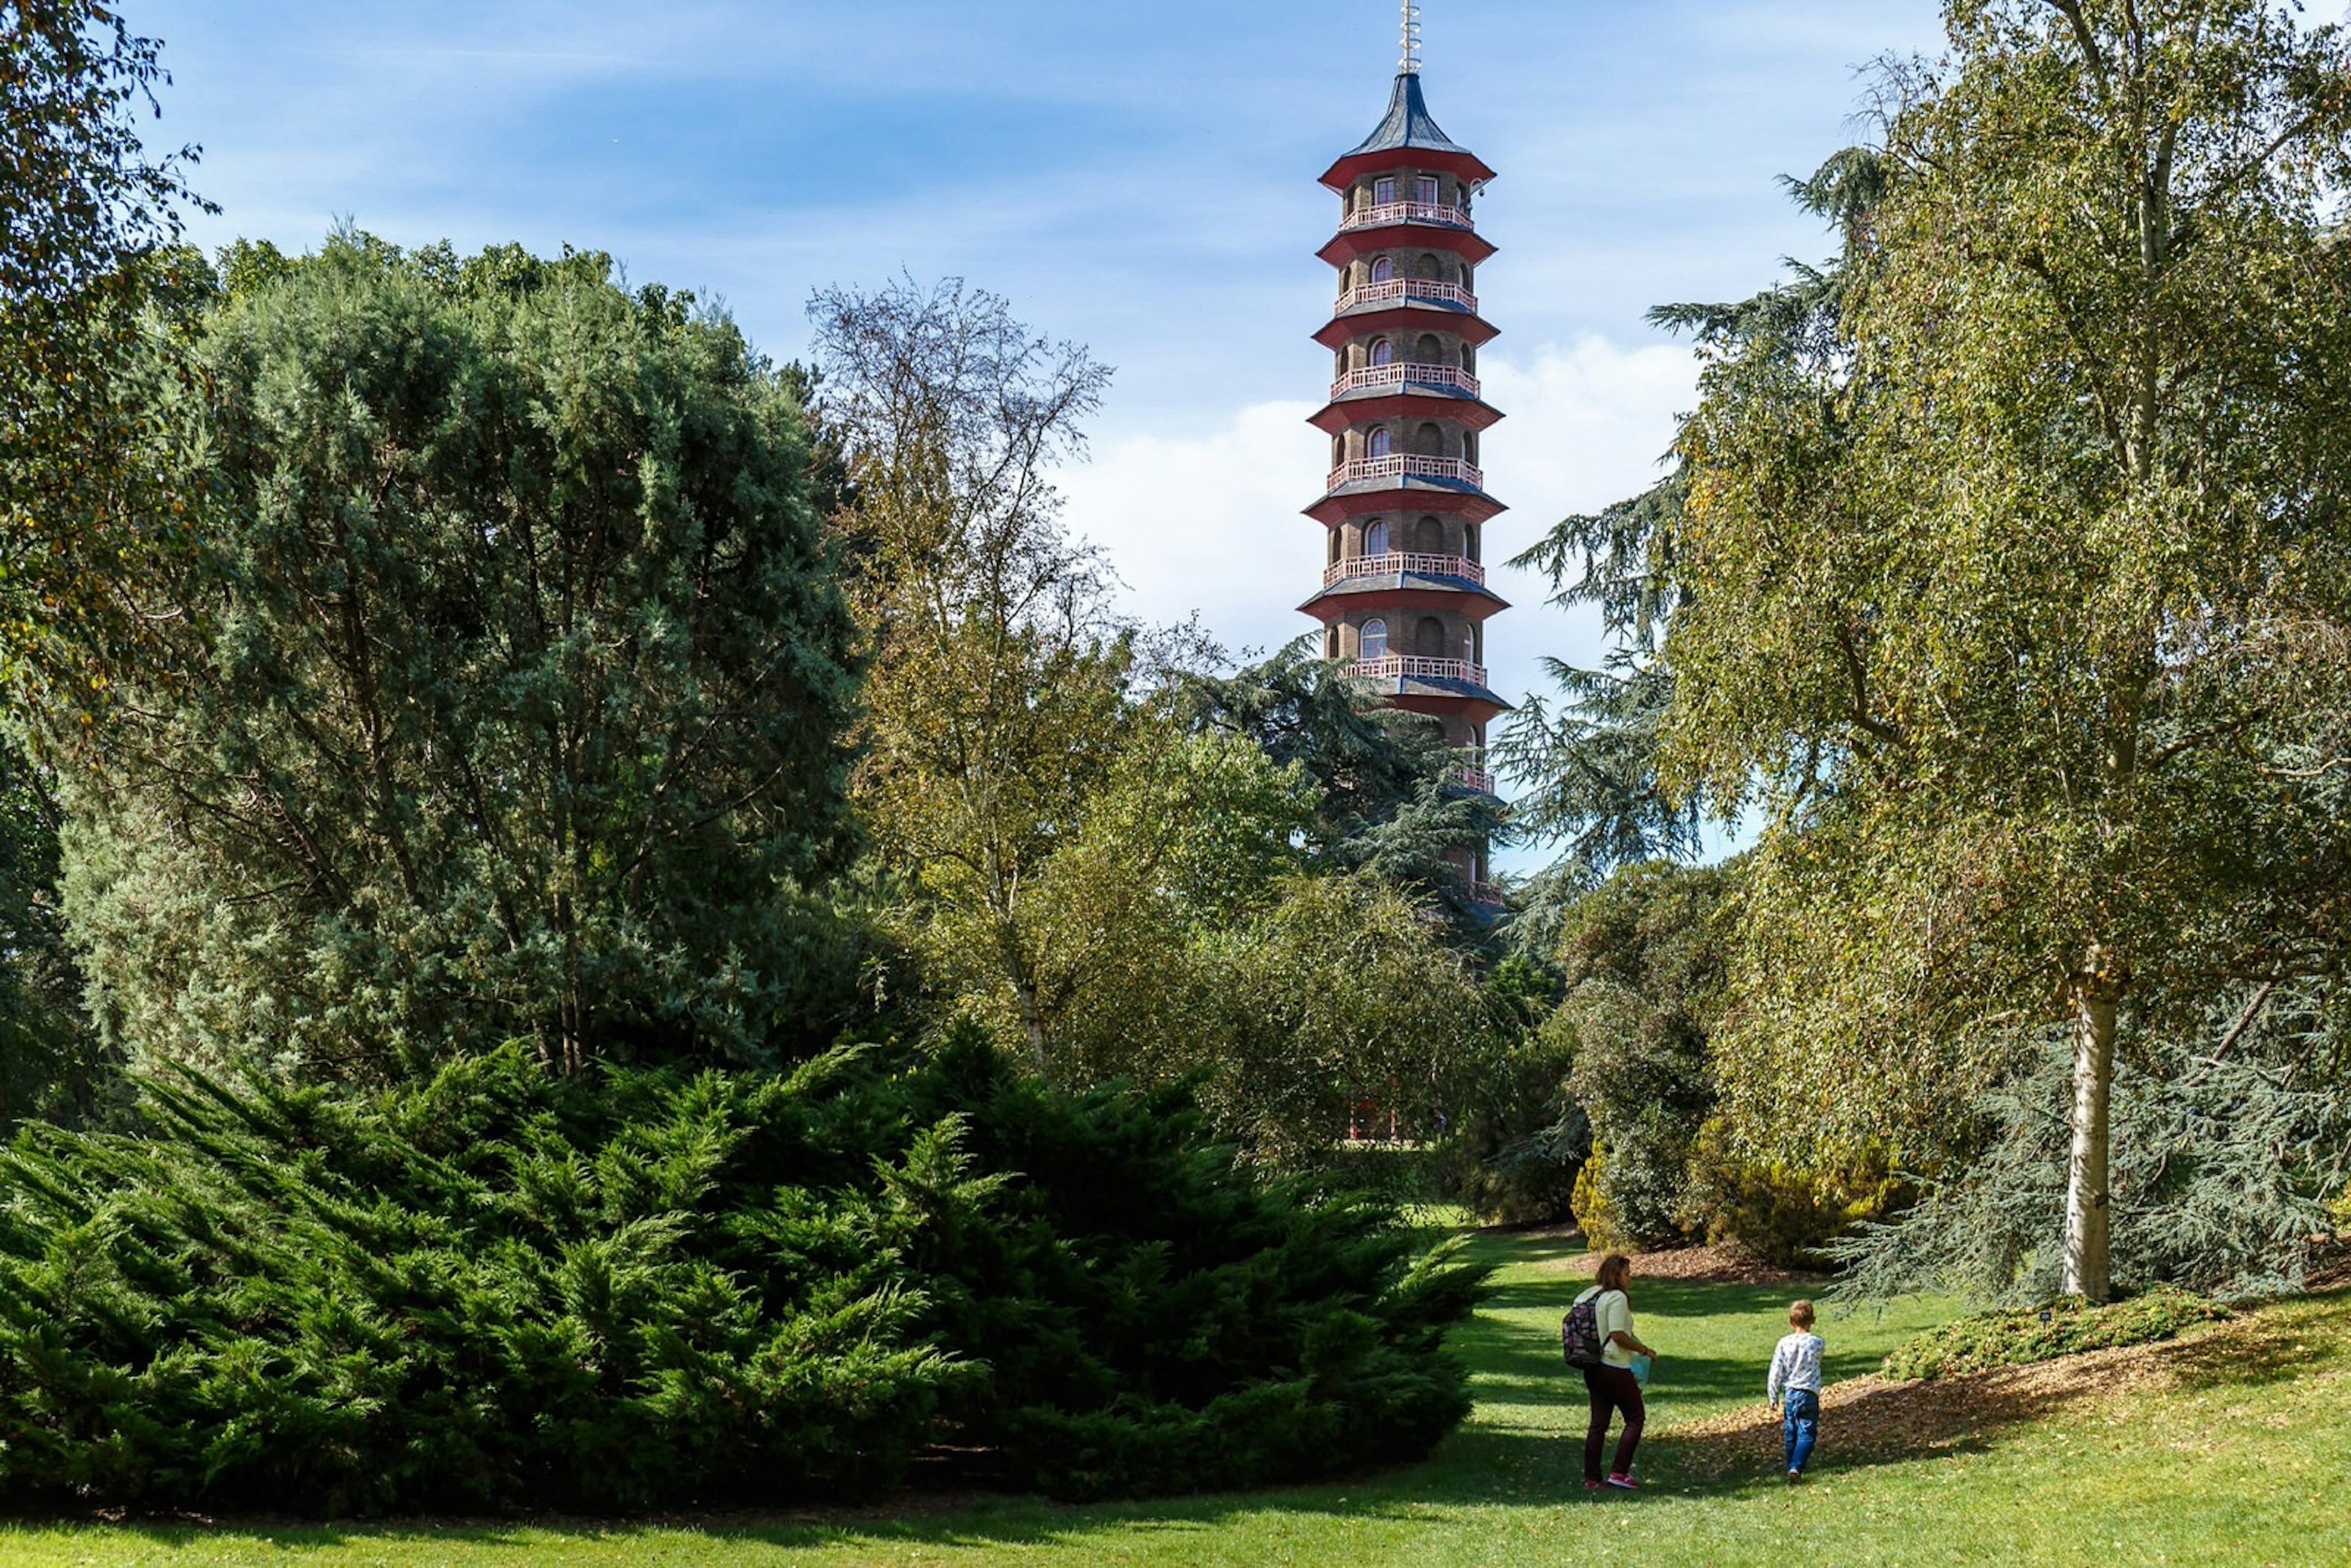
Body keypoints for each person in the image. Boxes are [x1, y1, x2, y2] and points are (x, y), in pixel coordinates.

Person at [1571, 1253, 1655, 1491]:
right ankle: (1619, 1472)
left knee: (1599, 1424)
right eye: (1627, 1274)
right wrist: (1644, 1350)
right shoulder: (1616, 1298)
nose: (1630, 1279)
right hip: (1614, 1366)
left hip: (1593, 1366)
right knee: (1635, 1417)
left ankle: (1592, 1479)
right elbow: (1618, 1335)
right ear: (1616, 1275)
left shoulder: (1590, 1295)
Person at [1767, 1299, 1826, 1482]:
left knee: (1791, 1432)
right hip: (1809, 1392)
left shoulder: (1784, 1344)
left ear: (1791, 1322)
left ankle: (1791, 1466)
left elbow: (1776, 1370)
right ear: (1813, 1320)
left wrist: (1773, 1395)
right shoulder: (1818, 1343)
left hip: (1791, 1393)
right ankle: (1796, 1467)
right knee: (1807, 1433)